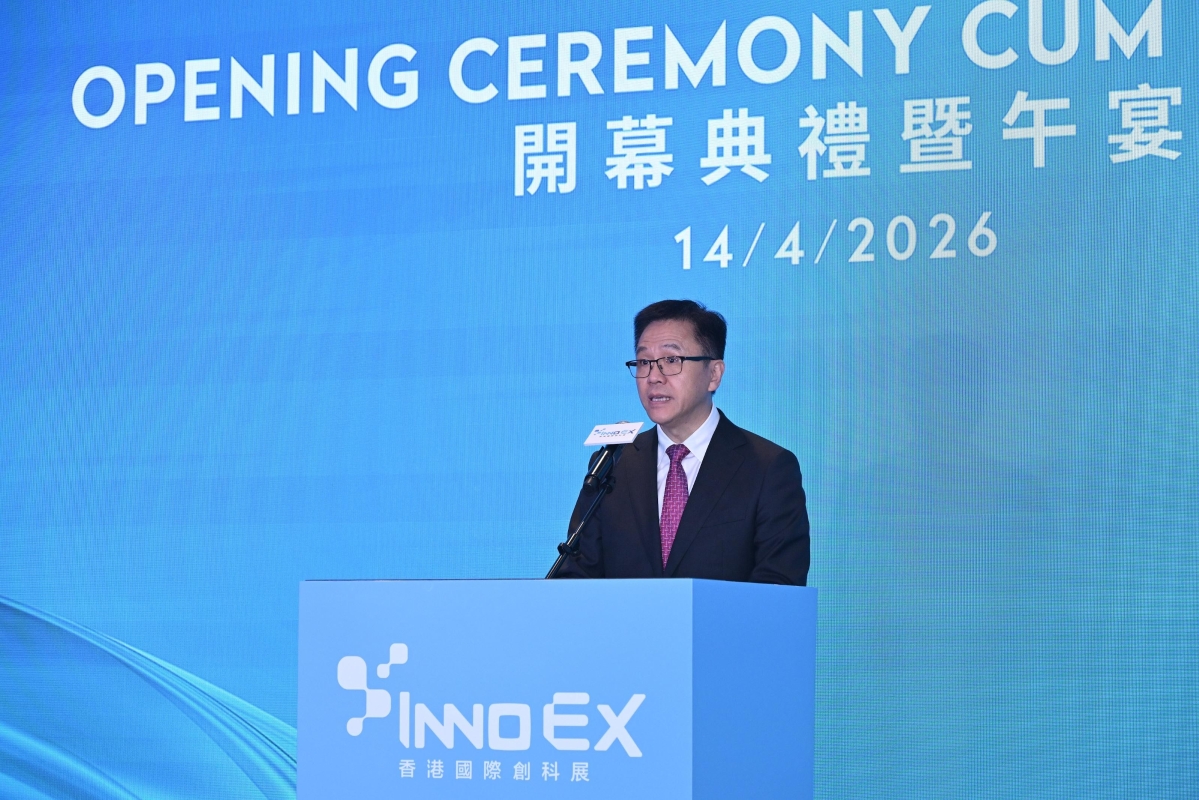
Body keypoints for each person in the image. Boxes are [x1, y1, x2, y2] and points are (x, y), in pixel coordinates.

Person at [554, 300, 810, 584]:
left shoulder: (767, 468)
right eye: (644, 362)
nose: (653, 377)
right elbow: (577, 576)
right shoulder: (615, 463)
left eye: (671, 360)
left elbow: (779, 585)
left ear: (714, 374)